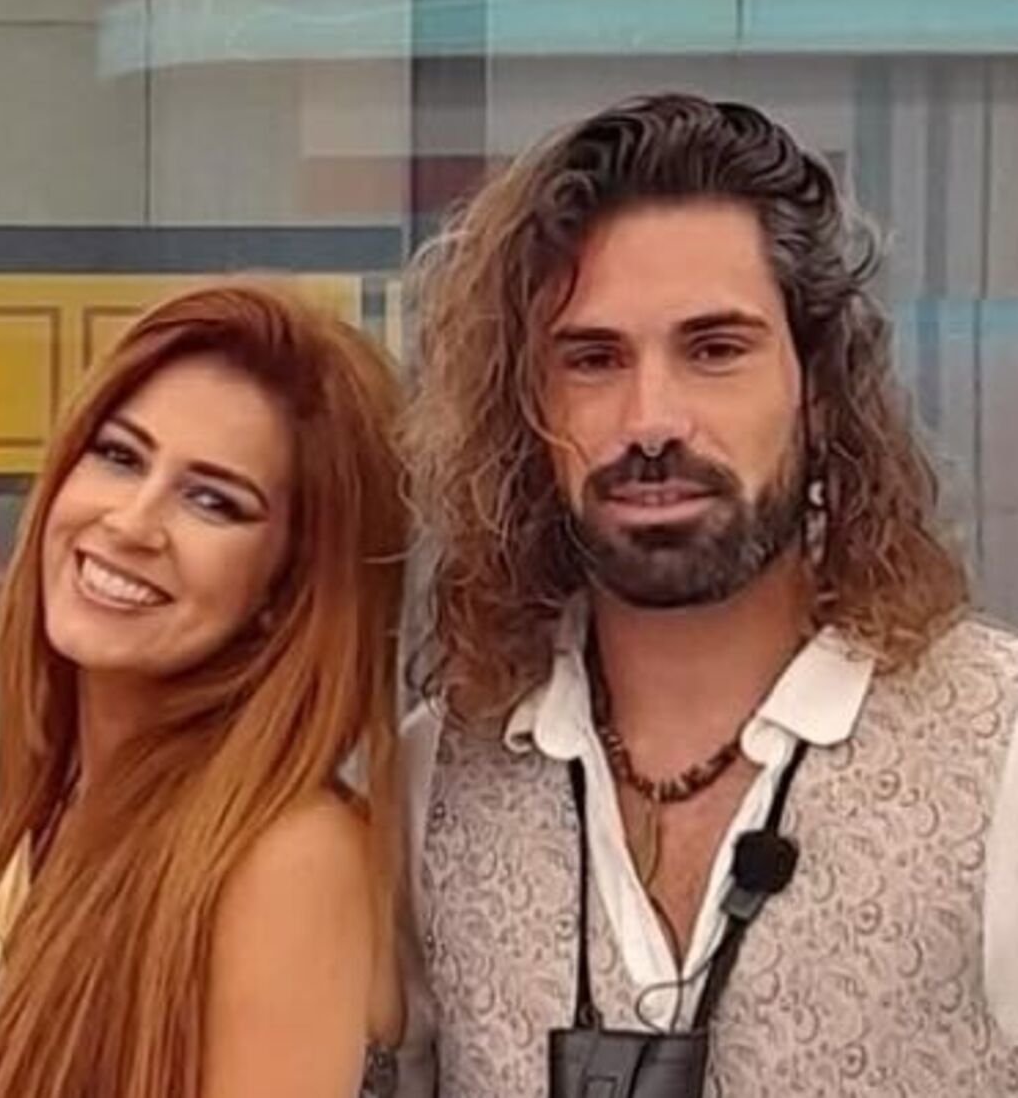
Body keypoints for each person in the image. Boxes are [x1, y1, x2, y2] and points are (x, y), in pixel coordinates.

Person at [400, 93, 1018, 1096]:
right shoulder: (438, 776)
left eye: (714, 349)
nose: (651, 419)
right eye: (593, 359)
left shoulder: (1000, 751)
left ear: (818, 388)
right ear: (527, 411)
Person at [0, 281, 406, 1098]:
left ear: (287, 588)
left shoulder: (292, 861)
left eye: (212, 501)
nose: (132, 522)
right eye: (120, 456)